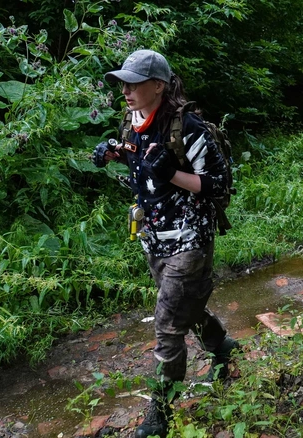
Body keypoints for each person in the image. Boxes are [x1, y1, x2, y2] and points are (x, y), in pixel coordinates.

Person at [93, 49, 239, 438]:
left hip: (190, 239)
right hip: (153, 237)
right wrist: (113, 155)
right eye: (122, 82)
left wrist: (173, 173)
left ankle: (160, 412)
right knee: (184, 308)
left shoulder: (188, 128)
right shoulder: (133, 121)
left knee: (167, 325)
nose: (125, 89)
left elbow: (219, 185)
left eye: (134, 83)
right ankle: (223, 348)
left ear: (158, 85)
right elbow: (142, 165)